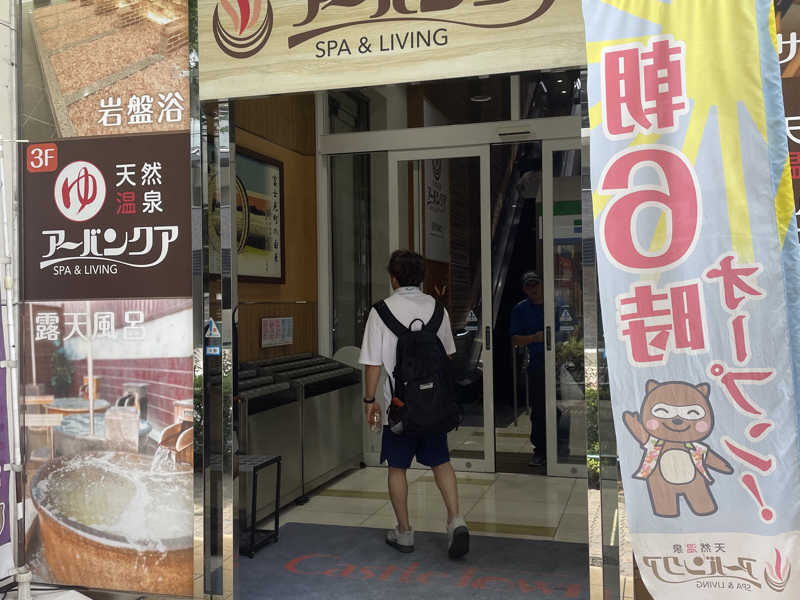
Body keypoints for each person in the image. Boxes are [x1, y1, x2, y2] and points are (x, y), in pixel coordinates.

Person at [359, 249, 470, 558]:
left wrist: (370, 400)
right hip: (433, 406)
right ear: (421, 278)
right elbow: (447, 356)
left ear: (393, 278)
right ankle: (455, 520)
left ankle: (405, 532)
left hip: (399, 409)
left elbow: (372, 364)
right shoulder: (437, 309)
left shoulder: (380, 312)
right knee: (441, 462)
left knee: (397, 468)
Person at [510, 271, 547, 467]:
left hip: (561, 363)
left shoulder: (557, 304)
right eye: (528, 286)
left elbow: (572, 330)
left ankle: (561, 450)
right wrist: (535, 338)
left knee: (560, 409)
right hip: (537, 365)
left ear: (542, 284)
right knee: (539, 410)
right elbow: (515, 339)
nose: (533, 289)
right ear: (524, 289)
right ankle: (540, 451)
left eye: (536, 284)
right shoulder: (520, 309)